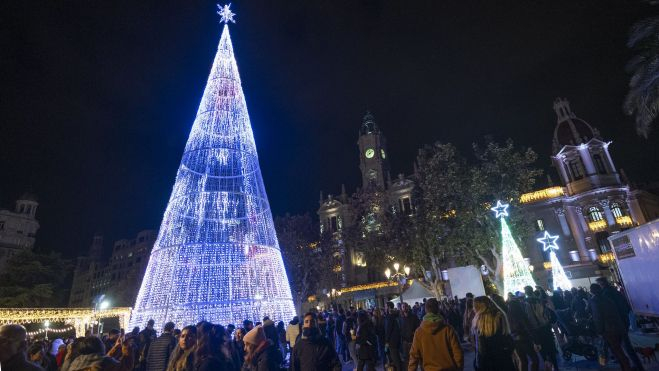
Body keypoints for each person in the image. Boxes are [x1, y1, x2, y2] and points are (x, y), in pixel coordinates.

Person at [596, 278, 645, 371]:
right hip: (622, 321)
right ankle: (637, 366)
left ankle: (630, 367)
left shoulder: (605, 295)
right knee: (626, 346)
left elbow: (607, 313)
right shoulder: (615, 291)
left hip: (616, 324)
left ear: (601, 284)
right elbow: (625, 306)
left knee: (620, 348)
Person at [408, 298, 463, 371]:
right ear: (438, 309)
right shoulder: (448, 329)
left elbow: (414, 356)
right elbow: (457, 352)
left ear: (425, 310)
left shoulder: (419, 332)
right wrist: (458, 368)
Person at [589, 283, 632, 371]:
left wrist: (599, 330)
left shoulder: (595, 300)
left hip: (609, 330)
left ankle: (626, 367)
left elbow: (598, 317)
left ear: (592, 291)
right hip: (618, 327)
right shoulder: (607, 298)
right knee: (618, 349)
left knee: (617, 350)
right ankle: (625, 366)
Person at [471, 296, 515, 371]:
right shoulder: (500, 315)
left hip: (488, 362)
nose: (473, 308)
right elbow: (507, 337)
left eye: (474, 306)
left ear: (478, 307)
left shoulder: (478, 320)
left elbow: (480, 348)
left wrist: (478, 365)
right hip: (504, 358)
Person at [507, 298, 539, 371]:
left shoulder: (509, 317)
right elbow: (528, 328)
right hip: (525, 339)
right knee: (535, 359)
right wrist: (535, 341)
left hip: (515, 341)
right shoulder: (521, 315)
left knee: (523, 361)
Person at [399, 303, 420, 369]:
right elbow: (400, 329)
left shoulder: (413, 317)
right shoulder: (400, 319)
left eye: (405, 306)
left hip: (413, 341)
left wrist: (414, 333)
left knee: (415, 357)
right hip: (405, 342)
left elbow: (418, 326)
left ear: (408, 307)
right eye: (403, 307)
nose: (404, 308)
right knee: (406, 359)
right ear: (401, 308)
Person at [384, 302, 402, 371]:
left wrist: (386, 341)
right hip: (396, 339)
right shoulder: (396, 315)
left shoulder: (390, 316)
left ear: (388, 307)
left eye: (386, 306)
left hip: (392, 341)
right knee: (396, 357)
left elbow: (388, 329)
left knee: (395, 359)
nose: (385, 308)